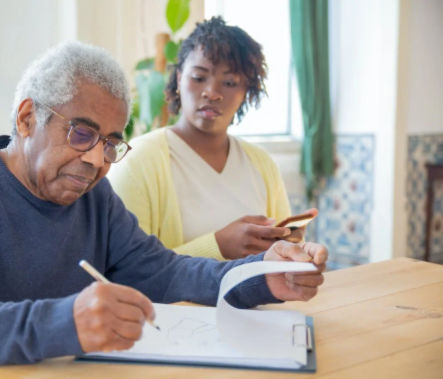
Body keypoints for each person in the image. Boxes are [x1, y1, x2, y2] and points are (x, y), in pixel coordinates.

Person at [0, 41, 328, 365]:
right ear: (27, 117)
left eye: (111, 143)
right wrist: (60, 323)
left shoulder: (94, 196)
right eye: (81, 133)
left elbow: (166, 271)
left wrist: (263, 276)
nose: (96, 159)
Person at [108, 17, 316, 262]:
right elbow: (126, 268)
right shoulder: (138, 161)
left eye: (229, 83)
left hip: (254, 301)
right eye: (198, 77)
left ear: (246, 93)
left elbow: (282, 257)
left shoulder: (261, 163)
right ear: (178, 79)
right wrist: (217, 246)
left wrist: (294, 250)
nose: (212, 92)